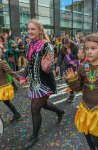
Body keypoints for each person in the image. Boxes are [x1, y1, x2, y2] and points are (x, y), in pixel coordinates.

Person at [20, 19, 65, 149]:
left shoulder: (47, 46)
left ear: (40, 30)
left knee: (35, 108)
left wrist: (47, 67)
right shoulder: (30, 45)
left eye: (33, 29)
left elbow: (49, 66)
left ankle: (35, 136)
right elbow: (29, 63)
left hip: (45, 82)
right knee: (43, 104)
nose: (30, 31)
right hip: (34, 82)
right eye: (28, 29)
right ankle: (60, 111)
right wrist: (24, 75)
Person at [0, 48, 21, 123]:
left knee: (6, 102)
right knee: (7, 102)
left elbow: (10, 71)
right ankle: (17, 114)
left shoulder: (2, 63)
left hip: (2, 86)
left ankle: (16, 114)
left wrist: (18, 77)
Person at [56, 37, 79, 103]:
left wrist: (70, 53)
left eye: (67, 44)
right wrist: (57, 65)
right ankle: (72, 93)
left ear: (69, 42)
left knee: (72, 80)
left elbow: (77, 57)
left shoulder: (74, 47)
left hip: (73, 66)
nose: (66, 46)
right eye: (64, 45)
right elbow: (60, 57)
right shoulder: (63, 48)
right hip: (66, 66)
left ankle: (73, 93)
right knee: (67, 80)